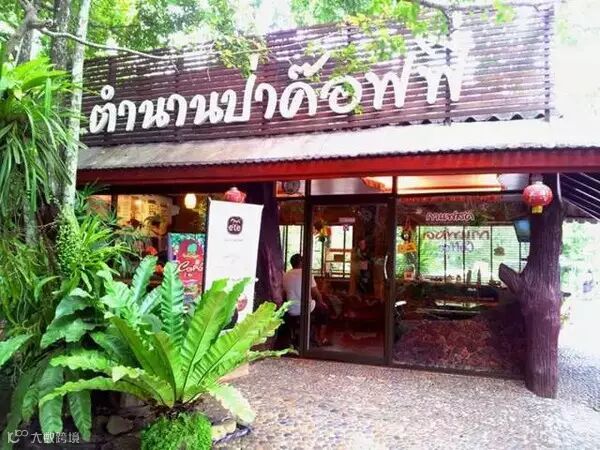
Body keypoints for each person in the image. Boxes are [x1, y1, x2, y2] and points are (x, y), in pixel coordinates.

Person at [282, 253, 330, 346]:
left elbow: (284, 293)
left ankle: (294, 336)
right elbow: (316, 293)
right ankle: (321, 338)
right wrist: (321, 303)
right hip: (307, 308)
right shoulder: (306, 274)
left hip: (291, 310)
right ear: (301, 262)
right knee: (324, 310)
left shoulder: (285, 275)